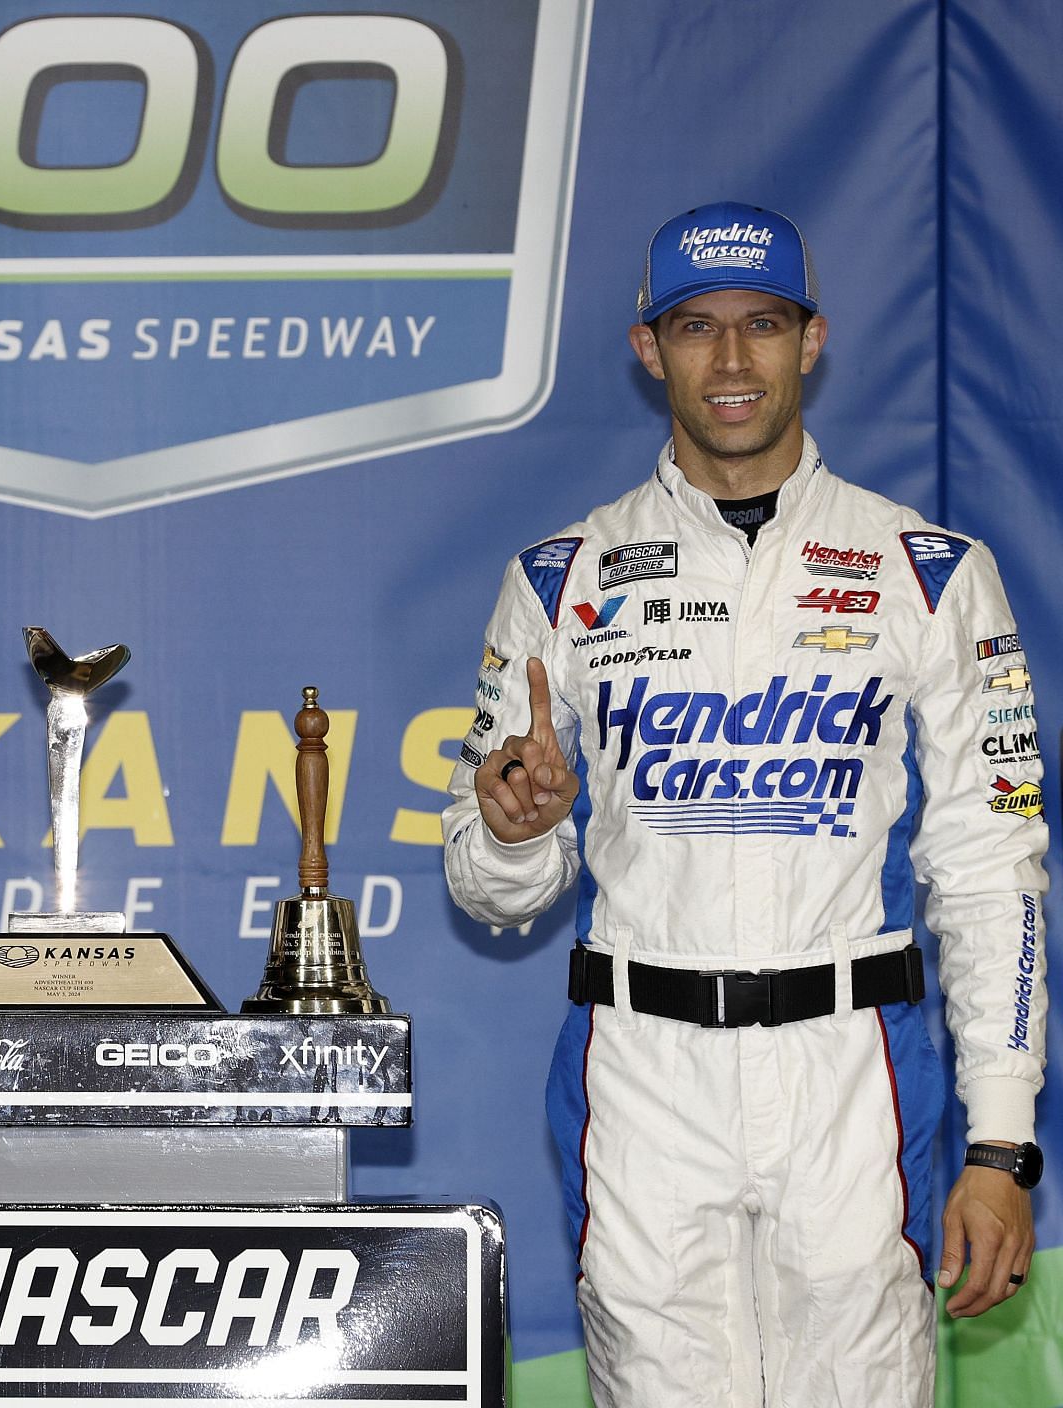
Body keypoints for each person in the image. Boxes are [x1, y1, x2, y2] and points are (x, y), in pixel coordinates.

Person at [443, 203, 1046, 1405]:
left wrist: (1002, 1142)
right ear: (645, 347)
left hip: (851, 1067)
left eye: (762, 325)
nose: (730, 361)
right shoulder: (562, 578)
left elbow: (992, 868)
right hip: (644, 1075)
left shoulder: (928, 569)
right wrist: (516, 829)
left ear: (811, 341)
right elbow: (487, 878)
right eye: (696, 328)